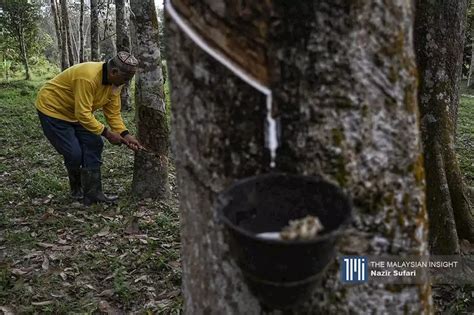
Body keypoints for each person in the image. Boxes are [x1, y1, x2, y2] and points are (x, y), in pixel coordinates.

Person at [35, 51, 144, 205]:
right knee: (74, 153)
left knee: (95, 143)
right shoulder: (88, 77)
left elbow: (112, 112)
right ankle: (76, 189)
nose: (126, 83)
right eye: (126, 79)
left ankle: (93, 194)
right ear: (114, 71)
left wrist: (125, 134)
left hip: (77, 113)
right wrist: (107, 133)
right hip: (53, 110)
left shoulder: (115, 82)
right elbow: (83, 113)